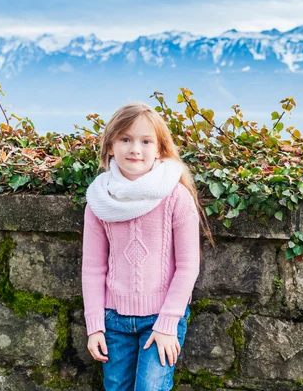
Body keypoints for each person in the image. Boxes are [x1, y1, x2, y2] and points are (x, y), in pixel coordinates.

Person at [81, 102, 214, 391]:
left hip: (161, 318)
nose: (135, 149)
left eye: (145, 141)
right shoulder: (99, 202)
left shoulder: (176, 197)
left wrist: (168, 323)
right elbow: (92, 269)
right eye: (125, 139)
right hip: (113, 320)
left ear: (160, 149)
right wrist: (95, 326)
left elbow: (188, 267)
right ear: (110, 146)